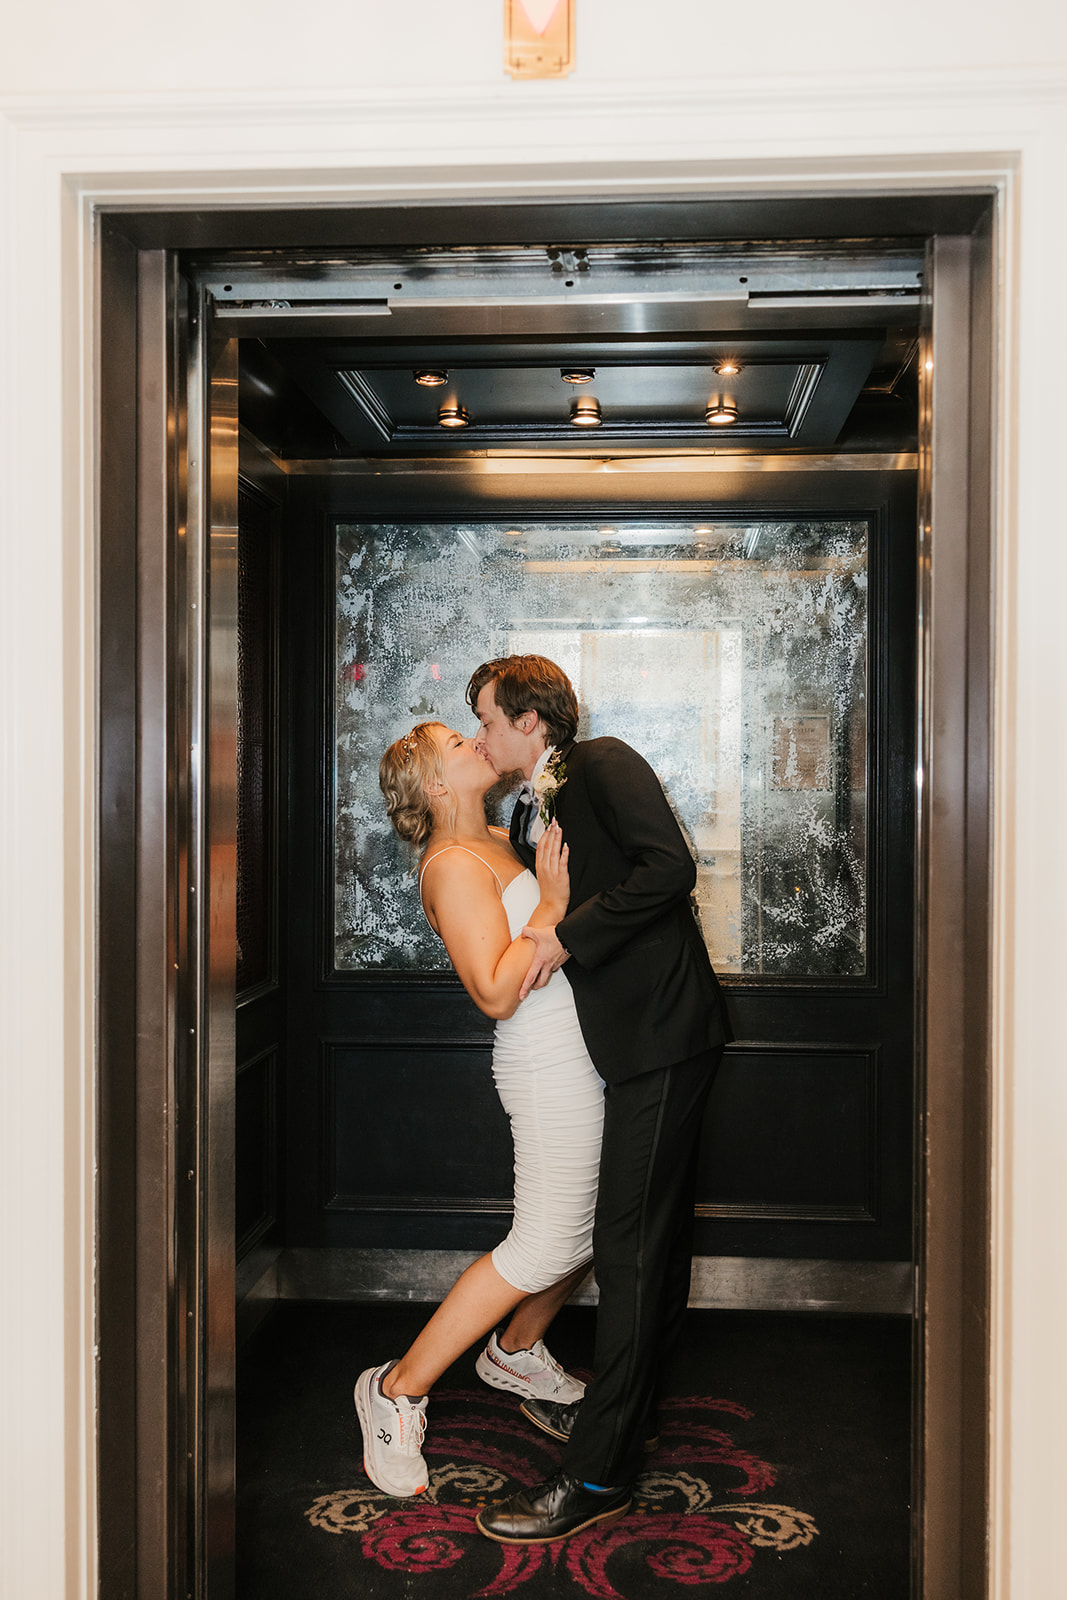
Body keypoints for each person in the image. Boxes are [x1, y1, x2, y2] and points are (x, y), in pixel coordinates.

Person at [467, 654, 730, 1545]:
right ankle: (633, 1420)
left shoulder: (607, 761)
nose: (482, 737)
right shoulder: (521, 807)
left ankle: (597, 1474)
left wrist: (566, 935)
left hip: (662, 1036)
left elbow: (668, 871)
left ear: (531, 721)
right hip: (624, 1047)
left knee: (627, 1251)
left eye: (490, 721)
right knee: (642, 1249)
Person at [354, 720, 605, 1498]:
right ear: (434, 783)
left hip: (585, 1052)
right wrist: (555, 905)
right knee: (540, 1247)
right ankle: (396, 1388)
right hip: (543, 1063)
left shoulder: (502, 834)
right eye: (456, 744)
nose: (474, 743)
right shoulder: (455, 864)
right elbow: (496, 992)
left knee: (600, 1222)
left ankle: (516, 1350)